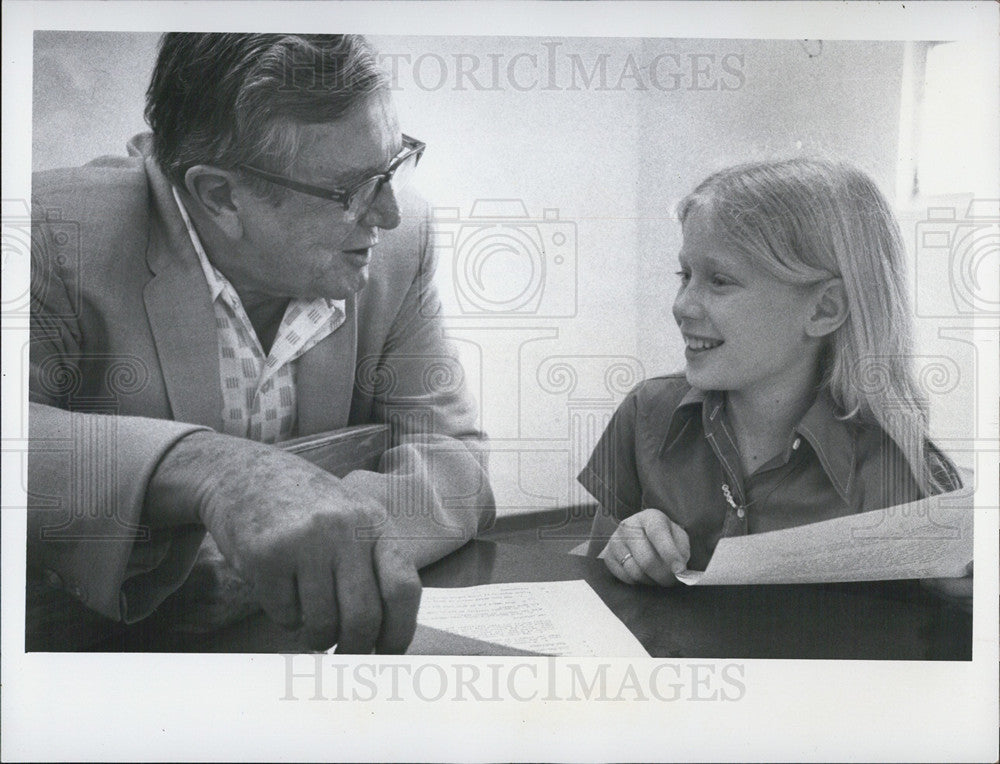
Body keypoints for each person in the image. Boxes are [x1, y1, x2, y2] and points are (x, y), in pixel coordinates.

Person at [27, 33, 495, 652]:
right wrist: (216, 471)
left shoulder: (396, 249)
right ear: (220, 196)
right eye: (350, 191)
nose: (389, 215)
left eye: (393, 164)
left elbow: (453, 460)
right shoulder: (45, 235)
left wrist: (300, 553)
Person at [578, 158, 971, 606]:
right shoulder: (645, 413)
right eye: (685, 275)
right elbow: (598, 579)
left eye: (720, 281)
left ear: (824, 309)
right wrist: (626, 547)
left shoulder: (905, 475)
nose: (682, 306)